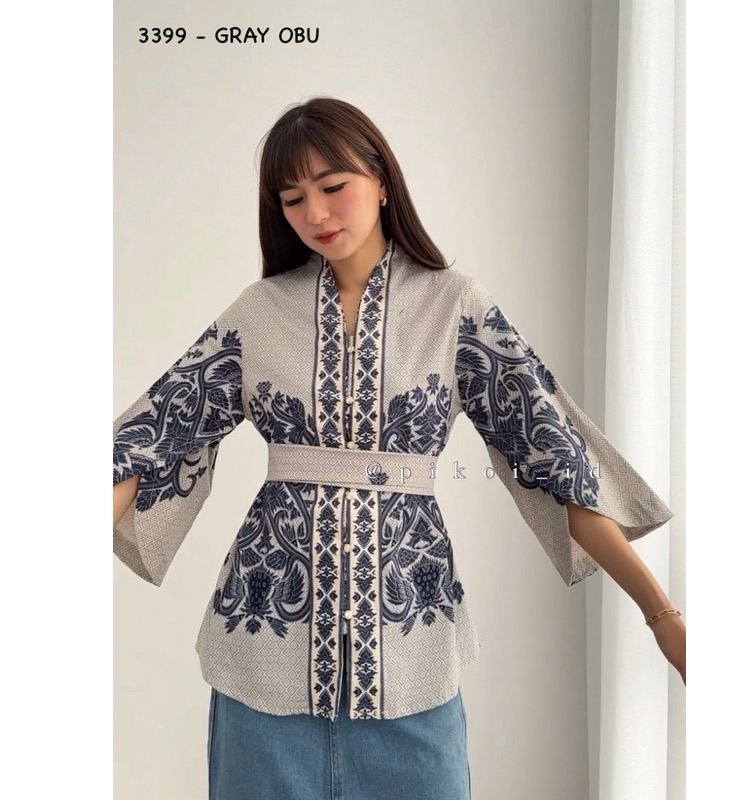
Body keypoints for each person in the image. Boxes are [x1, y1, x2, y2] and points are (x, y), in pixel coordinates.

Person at [113, 96, 686, 800]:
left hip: (412, 654)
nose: (315, 213)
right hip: (262, 658)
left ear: (382, 180)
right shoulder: (259, 312)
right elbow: (150, 440)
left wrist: (661, 615)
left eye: (332, 186)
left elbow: (555, 461)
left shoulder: (454, 306)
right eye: (291, 199)